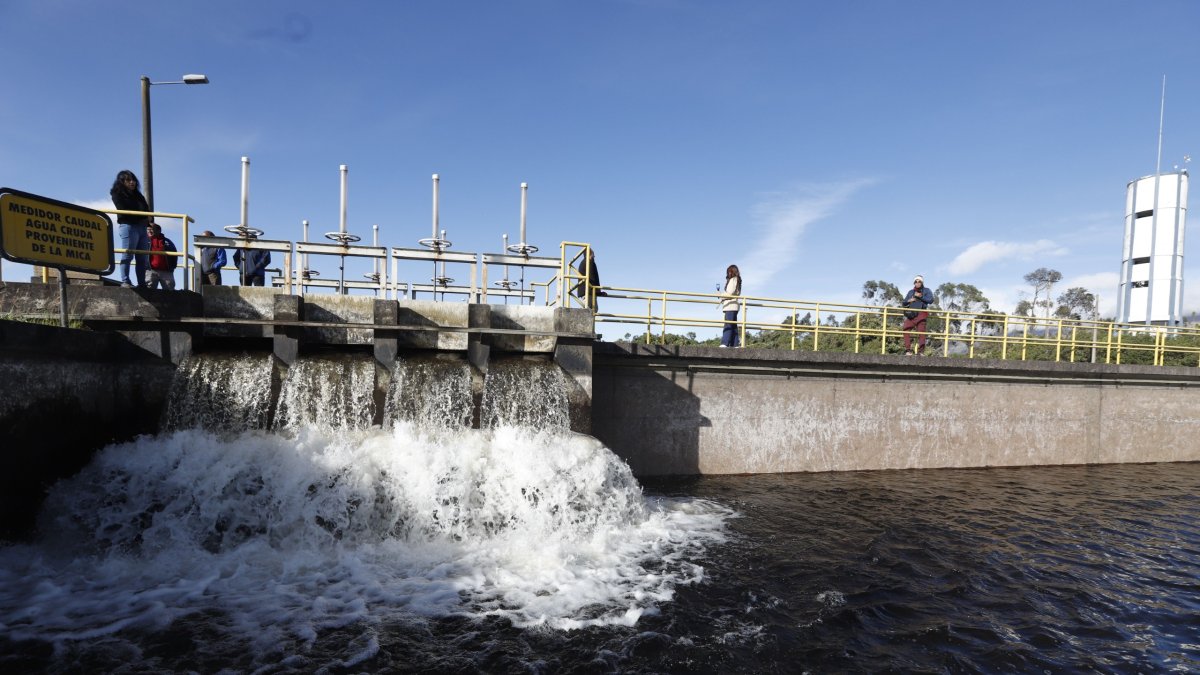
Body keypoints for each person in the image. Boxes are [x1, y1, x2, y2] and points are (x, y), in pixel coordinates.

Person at [109, 170, 151, 288]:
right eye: (128, 180)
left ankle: (142, 283)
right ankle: (126, 281)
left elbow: (146, 209)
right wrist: (140, 215)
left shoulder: (138, 195)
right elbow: (123, 208)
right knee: (128, 255)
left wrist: (145, 220)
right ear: (122, 182)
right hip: (128, 226)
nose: (132, 182)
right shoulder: (117, 193)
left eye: (133, 180)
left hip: (142, 227)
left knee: (142, 258)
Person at [902, 274, 935, 355]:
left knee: (921, 333)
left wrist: (921, 296)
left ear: (922, 282)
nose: (917, 283)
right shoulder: (911, 292)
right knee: (905, 329)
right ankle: (908, 350)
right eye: (916, 281)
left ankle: (921, 352)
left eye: (919, 281)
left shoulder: (927, 290)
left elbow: (931, 300)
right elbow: (904, 302)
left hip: (921, 314)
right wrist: (909, 300)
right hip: (911, 314)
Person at [145, 223, 178, 290]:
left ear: (159, 230)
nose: (149, 231)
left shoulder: (167, 242)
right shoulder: (144, 240)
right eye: (148, 229)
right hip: (150, 270)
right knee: (148, 291)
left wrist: (172, 267)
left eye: (151, 229)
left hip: (166, 271)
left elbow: (174, 254)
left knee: (170, 291)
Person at [719, 264, 742, 348]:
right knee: (733, 325)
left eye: (729, 271)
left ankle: (725, 343)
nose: (728, 273)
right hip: (734, 306)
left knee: (728, 325)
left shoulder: (733, 280)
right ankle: (735, 344)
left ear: (732, 272)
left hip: (730, 306)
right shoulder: (737, 280)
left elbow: (729, 293)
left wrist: (721, 295)